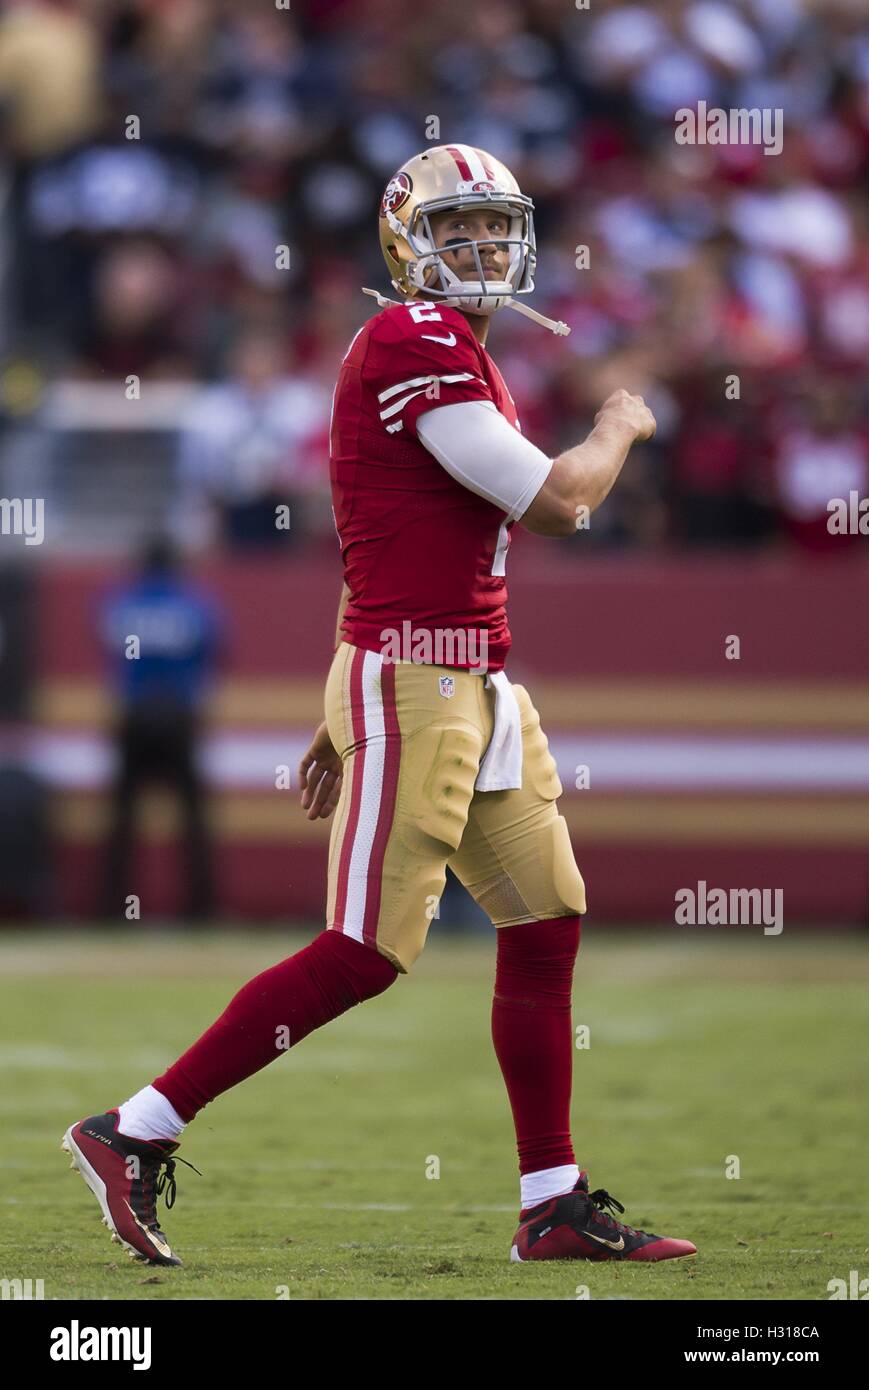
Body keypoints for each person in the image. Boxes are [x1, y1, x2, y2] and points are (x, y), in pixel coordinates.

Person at [62, 145, 695, 1267]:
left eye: (496, 228)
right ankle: (134, 1128)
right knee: (366, 948)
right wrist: (619, 427)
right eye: (458, 231)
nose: (485, 250)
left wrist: (333, 710)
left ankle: (550, 1202)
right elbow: (554, 501)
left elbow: (384, 539)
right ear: (410, 245)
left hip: (471, 678)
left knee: (545, 917)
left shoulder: (456, 348)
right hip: (417, 677)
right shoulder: (412, 337)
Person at [99, 536, 221, 922]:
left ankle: (111, 909)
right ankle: (201, 910)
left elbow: (110, 655)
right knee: (194, 816)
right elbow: (212, 653)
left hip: (134, 715)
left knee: (121, 817)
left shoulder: (122, 603)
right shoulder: (194, 603)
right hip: (178, 716)